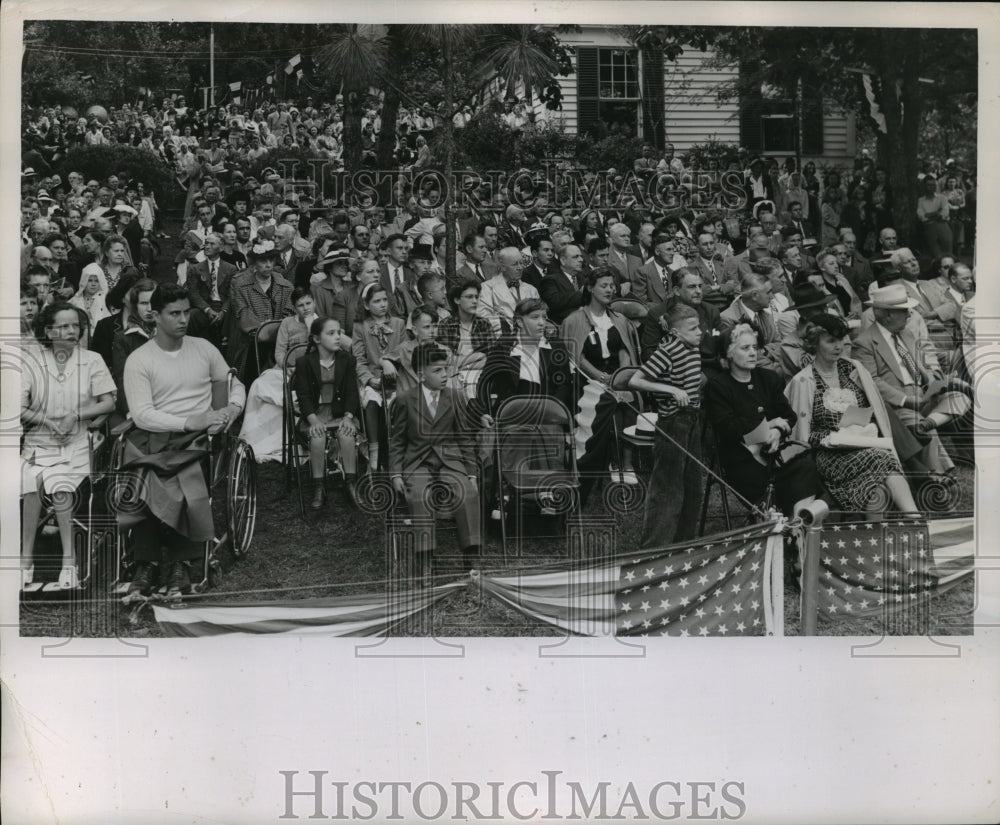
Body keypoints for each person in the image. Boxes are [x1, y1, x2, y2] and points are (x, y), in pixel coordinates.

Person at [121, 283, 246, 600]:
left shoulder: (204, 348)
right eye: (173, 314)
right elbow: (142, 414)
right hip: (155, 436)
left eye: (185, 312)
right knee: (144, 478)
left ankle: (181, 563)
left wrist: (232, 407)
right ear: (155, 316)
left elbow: (233, 383)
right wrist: (187, 420)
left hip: (199, 439)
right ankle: (145, 564)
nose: (182, 320)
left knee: (187, 479)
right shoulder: (140, 359)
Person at [20, 301, 116, 589]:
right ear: (48, 330)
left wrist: (75, 416)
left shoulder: (92, 360)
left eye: (76, 325)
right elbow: (17, 406)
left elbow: (109, 402)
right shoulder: (32, 362)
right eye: (64, 326)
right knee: (31, 480)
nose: (72, 331)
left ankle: (68, 561)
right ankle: (25, 560)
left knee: (59, 482)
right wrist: (48, 421)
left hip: (80, 443)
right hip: (39, 441)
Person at [785, 315, 919, 516]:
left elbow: (871, 410)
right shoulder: (803, 381)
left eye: (841, 340)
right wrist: (832, 439)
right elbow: (801, 435)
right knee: (883, 458)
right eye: (830, 341)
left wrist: (858, 426)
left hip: (861, 444)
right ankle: (914, 517)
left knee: (877, 489)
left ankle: (879, 533)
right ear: (815, 344)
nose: (838, 346)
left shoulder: (854, 370)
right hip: (828, 455)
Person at [704, 324, 823, 516]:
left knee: (805, 467)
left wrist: (777, 431)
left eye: (754, 347)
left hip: (776, 453)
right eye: (745, 348)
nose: (753, 353)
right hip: (741, 458)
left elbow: (788, 416)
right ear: (729, 354)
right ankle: (775, 525)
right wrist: (767, 425)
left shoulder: (768, 378)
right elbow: (727, 427)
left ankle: (797, 525)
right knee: (761, 478)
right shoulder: (718, 386)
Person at [853, 283, 970, 476]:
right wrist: (907, 400)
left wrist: (935, 382)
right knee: (920, 425)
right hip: (898, 402)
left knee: (961, 396)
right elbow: (871, 382)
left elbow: (921, 363)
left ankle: (928, 422)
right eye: (904, 311)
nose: (910, 315)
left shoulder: (905, 333)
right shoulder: (864, 343)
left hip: (923, 392)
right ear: (887, 314)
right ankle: (936, 475)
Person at [389, 342, 482, 583]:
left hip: (450, 460)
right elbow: (397, 441)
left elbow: (464, 436)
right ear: (421, 374)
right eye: (438, 370)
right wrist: (396, 473)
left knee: (467, 492)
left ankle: (471, 554)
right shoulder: (404, 400)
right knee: (420, 494)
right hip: (417, 461)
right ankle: (426, 557)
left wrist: (471, 472)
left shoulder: (455, 396)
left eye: (446, 369)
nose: (445, 375)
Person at [628, 303, 705, 549]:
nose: (700, 332)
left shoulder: (693, 348)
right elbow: (635, 380)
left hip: (692, 419)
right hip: (673, 423)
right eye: (693, 328)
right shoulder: (668, 350)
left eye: (699, 326)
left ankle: (683, 544)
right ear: (675, 333)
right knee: (667, 488)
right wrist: (671, 389)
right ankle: (654, 549)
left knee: (692, 486)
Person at [562, 268, 641, 492]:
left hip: (617, 375)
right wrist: (602, 377)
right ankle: (612, 460)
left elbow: (624, 348)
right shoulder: (574, 320)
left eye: (612, 286)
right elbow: (577, 357)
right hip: (588, 378)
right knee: (610, 400)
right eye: (604, 286)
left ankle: (625, 462)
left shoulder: (619, 319)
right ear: (590, 288)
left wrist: (622, 375)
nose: (610, 290)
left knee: (629, 396)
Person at [239, 288, 321, 463]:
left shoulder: (320, 324)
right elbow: (279, 352)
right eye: (300, 305)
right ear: (294, 307)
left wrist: (311, 327)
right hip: (285, 370)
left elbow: (322, 351)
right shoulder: (287, 323)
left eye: (308, 303)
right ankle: (257, 439)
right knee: (259, 384)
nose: (306, 308)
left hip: (310, 371)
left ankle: (299, 431)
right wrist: (287, 367)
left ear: (314, 303)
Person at [294, 317, 361, 509]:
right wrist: (313, 420)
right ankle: (319, 486)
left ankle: (350, 482)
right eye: (331, 333)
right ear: (316, 339)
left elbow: (352, 392)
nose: (338, 337)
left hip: (340, 412)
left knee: (346, 435)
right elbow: (304, 396)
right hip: (316, 413)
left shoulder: (347, 360)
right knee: (317, 436)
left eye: (339, 332)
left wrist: (348, 416)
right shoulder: (304, 363)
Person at [352, 282, 407, 472]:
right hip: (374, 379)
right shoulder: (360, 327)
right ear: (367, 305)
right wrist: (369, 379)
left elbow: (404, 351)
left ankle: (397, 454)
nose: (383, 304)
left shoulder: (398, 324)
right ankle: (374, 454)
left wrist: (387, 360)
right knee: (372, 402)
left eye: (384, 300)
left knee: (400, 403)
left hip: (396, 378)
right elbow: (359, 359)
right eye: (377, 301)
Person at [228, 239, 294, 386]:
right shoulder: (242, 286)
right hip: (251, 344)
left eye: (271, 260)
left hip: (280, 341)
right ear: (254, 264)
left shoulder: (286, 286)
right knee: (251, 379)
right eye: (263, 261)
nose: (268, 265)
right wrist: (263, 328)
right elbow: (244, 317)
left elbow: (289, 313)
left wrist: (275, 330)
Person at [436, 280, 495, 400]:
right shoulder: (446, 324)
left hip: (480, 377)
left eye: (476, 297)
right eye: (469, 297)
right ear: (457, 300)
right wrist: (478, 355)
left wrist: (463, 366)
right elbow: (448, 360)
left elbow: (492, 359)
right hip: (453, 379)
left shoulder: (484, 324)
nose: (474, 301)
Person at [110, 278, 158, 416]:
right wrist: (133, 411)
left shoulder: (170, 334)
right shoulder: (124, 338)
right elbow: (124, 380)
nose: (149, 309)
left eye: (153, 303)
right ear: (135, 305)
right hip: (138, 407)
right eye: (144, 303)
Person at [478, 246, 541, 336]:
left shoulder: (531, 289)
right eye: (515, 264)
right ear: (503, 267)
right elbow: (483, 318)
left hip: (531, 339)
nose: (520, 268)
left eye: (521, 263)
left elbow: (539, 316)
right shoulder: (487, 288)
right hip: (503, 340)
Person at [70, 263, 111, 327]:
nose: (93, 284)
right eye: (90, 280)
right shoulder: (74, 301)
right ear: (84, 281)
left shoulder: (106, 301)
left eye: (96, 281)